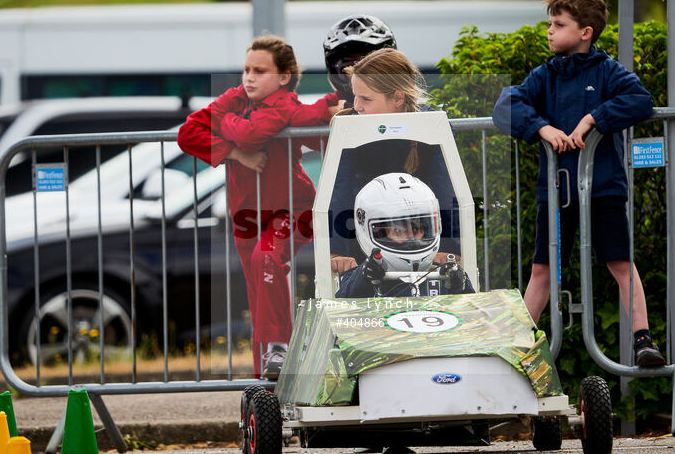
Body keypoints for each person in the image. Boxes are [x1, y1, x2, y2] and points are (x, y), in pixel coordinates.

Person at [491, 0, 665, 367]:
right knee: (543, 268)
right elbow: (504, 106)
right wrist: (542, 128)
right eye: (550, 24)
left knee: (620, 263)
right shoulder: (544, 74)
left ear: (586, 32)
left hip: (603, 188)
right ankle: (514, 347)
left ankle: (643, 341)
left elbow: (640, 99)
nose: (550, 32)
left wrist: (592, 120)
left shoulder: (607, 71)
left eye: (558, 25)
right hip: (555, 192)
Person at [177, 35, 339, 379]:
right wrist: (236, 154)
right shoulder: (236, 98)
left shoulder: (284, 102)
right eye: (246, 69)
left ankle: (278, 348)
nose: (248, 77)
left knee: (265, 258)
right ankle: (264, 385)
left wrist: (227, 127)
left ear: (283, 77)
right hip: (246, 215)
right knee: (259, 296)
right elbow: (188, 133)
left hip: (291, 209)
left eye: (259, 71)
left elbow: (252, 134)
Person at [328, 48, 461, 276]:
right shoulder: (349, 125)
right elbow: (339, 189)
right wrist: (336, 252)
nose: (357, 106)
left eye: (366, 99)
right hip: (362, 241)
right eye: (355, 97)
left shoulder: (432, 124)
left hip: (421, 239)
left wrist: (449, 247)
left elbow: (446, 187)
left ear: (398, 98)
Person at [336, 173, 473, 298]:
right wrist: (365, 277)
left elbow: (474, 315)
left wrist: (461, 287)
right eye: (399, 231)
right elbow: (342, 303)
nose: (411, 239)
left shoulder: (444, 276)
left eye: (416, 229)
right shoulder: (360, 278)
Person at [323, 15, 397, 103]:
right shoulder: (326, 110)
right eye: (348, 67)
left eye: (371, 68)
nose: (357, 76)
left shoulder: (411, 108)